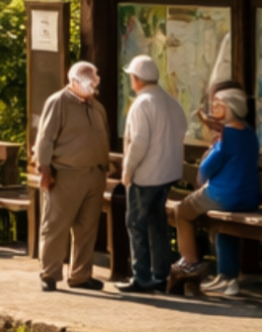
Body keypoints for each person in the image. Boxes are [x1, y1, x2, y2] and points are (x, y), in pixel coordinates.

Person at [168, 86, 260, 294]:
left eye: (220, 104)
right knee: (224, 226)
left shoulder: (227, 136)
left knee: (182, 211)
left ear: (231, 108)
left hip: (223, 195)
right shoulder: (248, 132)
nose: (214, 107)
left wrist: (209, 153)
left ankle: (190, 262)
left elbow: (207, 167)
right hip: (248, 198)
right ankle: (227, 278)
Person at [32, 61, 111, 292]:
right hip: (65, 174)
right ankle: (49, 273)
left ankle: (80, 275)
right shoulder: (58, 102)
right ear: (73, 81)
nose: (92, 87)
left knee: (87, 229)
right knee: (55, 225)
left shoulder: (97, 107)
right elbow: (45, 138)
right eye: (88, 82)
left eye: (95, 81)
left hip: (94, 174)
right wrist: (44, 170)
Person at [115, 55, 187, 294]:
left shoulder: (142, 103)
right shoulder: (171, 102)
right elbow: (182, 129)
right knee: (157, 224)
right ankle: (161, 274)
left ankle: (141, 276)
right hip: (167, 174)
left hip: (145, 175)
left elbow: (139, 142)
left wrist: (128, 170)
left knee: (135, 223)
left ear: (136, 79)